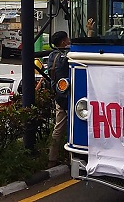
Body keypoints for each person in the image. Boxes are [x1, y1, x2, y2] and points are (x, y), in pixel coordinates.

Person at [47, 31, 71, 168]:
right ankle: (71, 155)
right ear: (63, 42)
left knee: (58, 128)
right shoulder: (66, 57)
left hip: (58, 96)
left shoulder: (52, 56)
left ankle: (52, 158)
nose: (69, 41)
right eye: (67, 39)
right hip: (70, 97)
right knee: (73, 128)